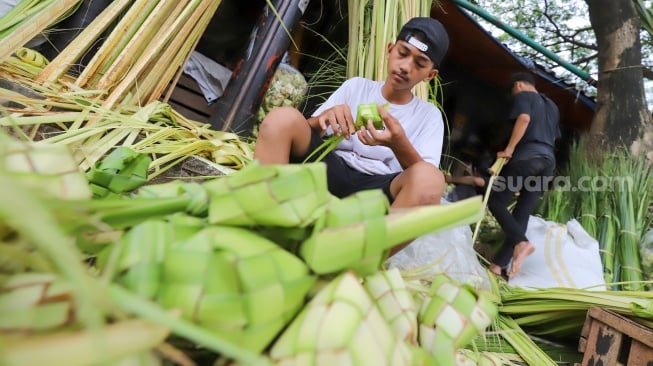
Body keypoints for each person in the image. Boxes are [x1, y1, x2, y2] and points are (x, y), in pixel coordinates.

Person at [253, 17, 450, 254]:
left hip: (378, 192)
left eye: (420, 63)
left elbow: (424, 181)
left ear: (430, 75)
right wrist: (323, 118)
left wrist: (399, 143)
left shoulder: (429, 115)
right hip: (329, 170)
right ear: (390, 50)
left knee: (432, 180)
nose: (406, 66)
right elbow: (305, 129)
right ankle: (263, 218)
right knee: (282, 118)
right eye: (403, 53)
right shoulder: (356, 87)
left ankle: (359, 261)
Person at [487, 72, 561, 278]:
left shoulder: (524, 97)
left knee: (496, 201)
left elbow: (524, 118)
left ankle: (522, 242)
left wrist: (509, 149)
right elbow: (554, 137)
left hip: (527, 157)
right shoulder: (553, 107)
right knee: (522, 213)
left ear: (518, 85)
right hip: (548, 161)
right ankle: (497, 265)